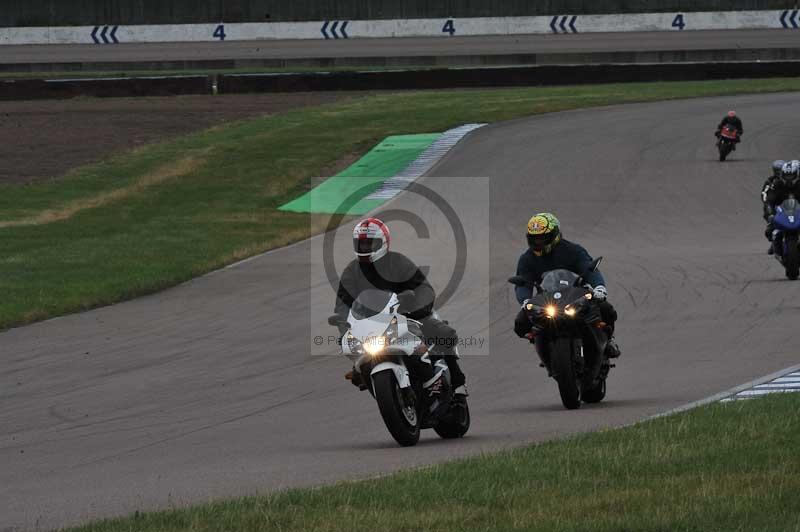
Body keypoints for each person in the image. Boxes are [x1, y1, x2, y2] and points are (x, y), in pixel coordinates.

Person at [334, 217, 467, 395]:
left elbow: (423, 288)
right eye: (361, 244)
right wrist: (345, 325)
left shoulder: (398, 262)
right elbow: (343, 303)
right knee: (359, 363)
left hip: (410, 314)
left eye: (369, 244)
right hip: (372, 324)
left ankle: (458, 384)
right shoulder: (352, 271)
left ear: (382, 243)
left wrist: (418, 309)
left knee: (444, 335)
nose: (364, 248)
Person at [512, 213, 621, 358]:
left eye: (542, 238)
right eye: (534, 239)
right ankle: (540, 341)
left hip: (575, 295)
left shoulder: (573, 251)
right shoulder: (526, 259)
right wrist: (525, 300)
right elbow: (523, 283)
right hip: (547, 299)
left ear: (554, 235)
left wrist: (599, 287)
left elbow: (589, 269)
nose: (538, 242)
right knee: (520, 323)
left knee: (606, 309)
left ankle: (609, 341)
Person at [764, 160, 800, 255]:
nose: (789, 179)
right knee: (769, 231)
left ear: (797, 175)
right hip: (781, 213)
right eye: (787, 176)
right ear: (782, 175)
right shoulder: (777, 185)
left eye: (791, 176)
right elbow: (769, 201)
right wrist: (770, 214)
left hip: (798, 212)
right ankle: (775, 245)